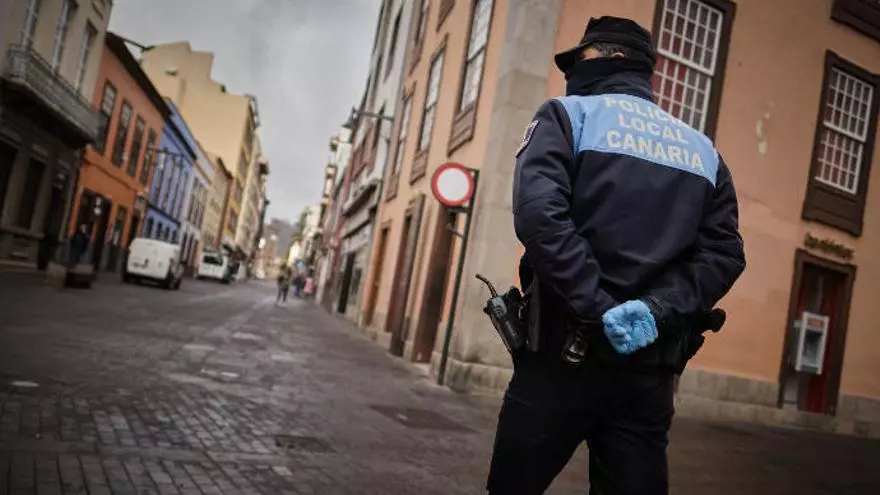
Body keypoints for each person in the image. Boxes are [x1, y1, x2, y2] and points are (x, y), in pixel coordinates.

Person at [488, 16, 746, 495]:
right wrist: (655, 310)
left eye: (581, 59)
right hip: (648, 370)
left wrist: (597, 306)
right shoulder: (704, 151)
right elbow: (724, 253)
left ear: (615, 59)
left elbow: (540, 216)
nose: (572, 72)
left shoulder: (567, 116)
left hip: (560, 358)